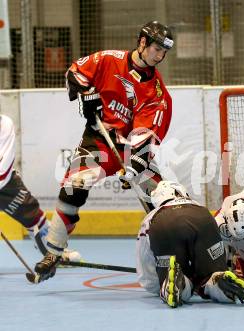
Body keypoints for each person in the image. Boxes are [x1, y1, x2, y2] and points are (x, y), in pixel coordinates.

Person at [33, 21, 174, 282]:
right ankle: (54, 252)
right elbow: (76, 73)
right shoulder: (109, 59)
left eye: (163, 52)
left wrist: (134, 165)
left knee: (163, 197)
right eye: (156, 49)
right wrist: (88, 95)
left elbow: (143, 138)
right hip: (98, 140)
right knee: (73, 185)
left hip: (131, 150)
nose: (160, 56)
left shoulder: (157, 94)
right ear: (142, 43)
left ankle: (178, 253)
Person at [136, 180, 244, 308]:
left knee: (172, 280)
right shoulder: (199, 206)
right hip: (203, 219)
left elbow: (145, 263)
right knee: (209, 276)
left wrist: (155, 284)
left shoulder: (152, 217)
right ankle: (216, 280)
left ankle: (181, 283)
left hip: (164, 223)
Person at [0, 114, 80, 261]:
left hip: (5, 185)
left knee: (31, 211)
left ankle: (52, 248)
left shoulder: (5, 124)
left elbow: (2, 171)